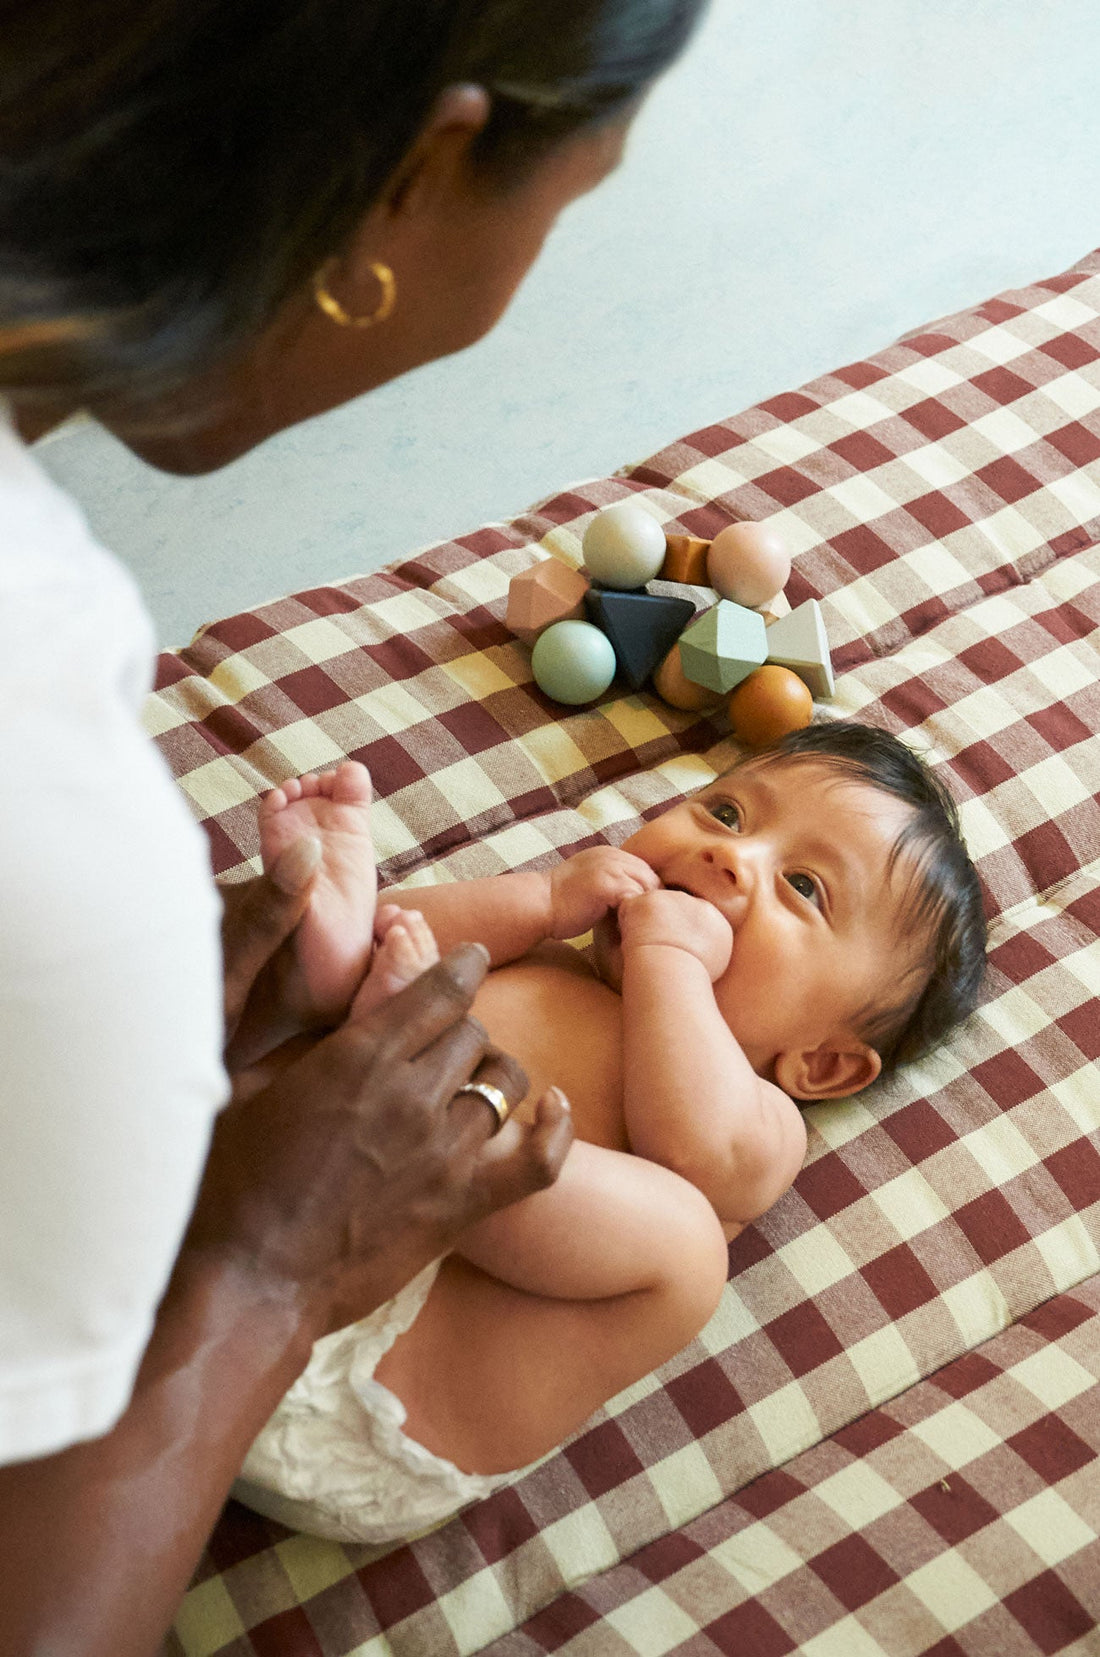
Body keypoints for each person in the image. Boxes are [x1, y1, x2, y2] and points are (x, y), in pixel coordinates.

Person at [0, 3, 710, 1651]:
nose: (724, 862)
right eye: (573, 199)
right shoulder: (64, 812)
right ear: (418, 175)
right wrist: (267, 1269)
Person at [227, 719, 987, 1542]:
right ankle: (338, 966)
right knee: (387, 958)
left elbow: (698, 1151)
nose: (732, 855)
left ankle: (415, 1085)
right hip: (241, 1221)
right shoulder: (551, 952)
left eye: (804, 887)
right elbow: (419, 941)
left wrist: (671, 957)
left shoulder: (761, 1113)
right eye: (726, 813)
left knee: (689, 1244)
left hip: (365, 1393)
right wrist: (542, 900)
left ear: (823, 1064)